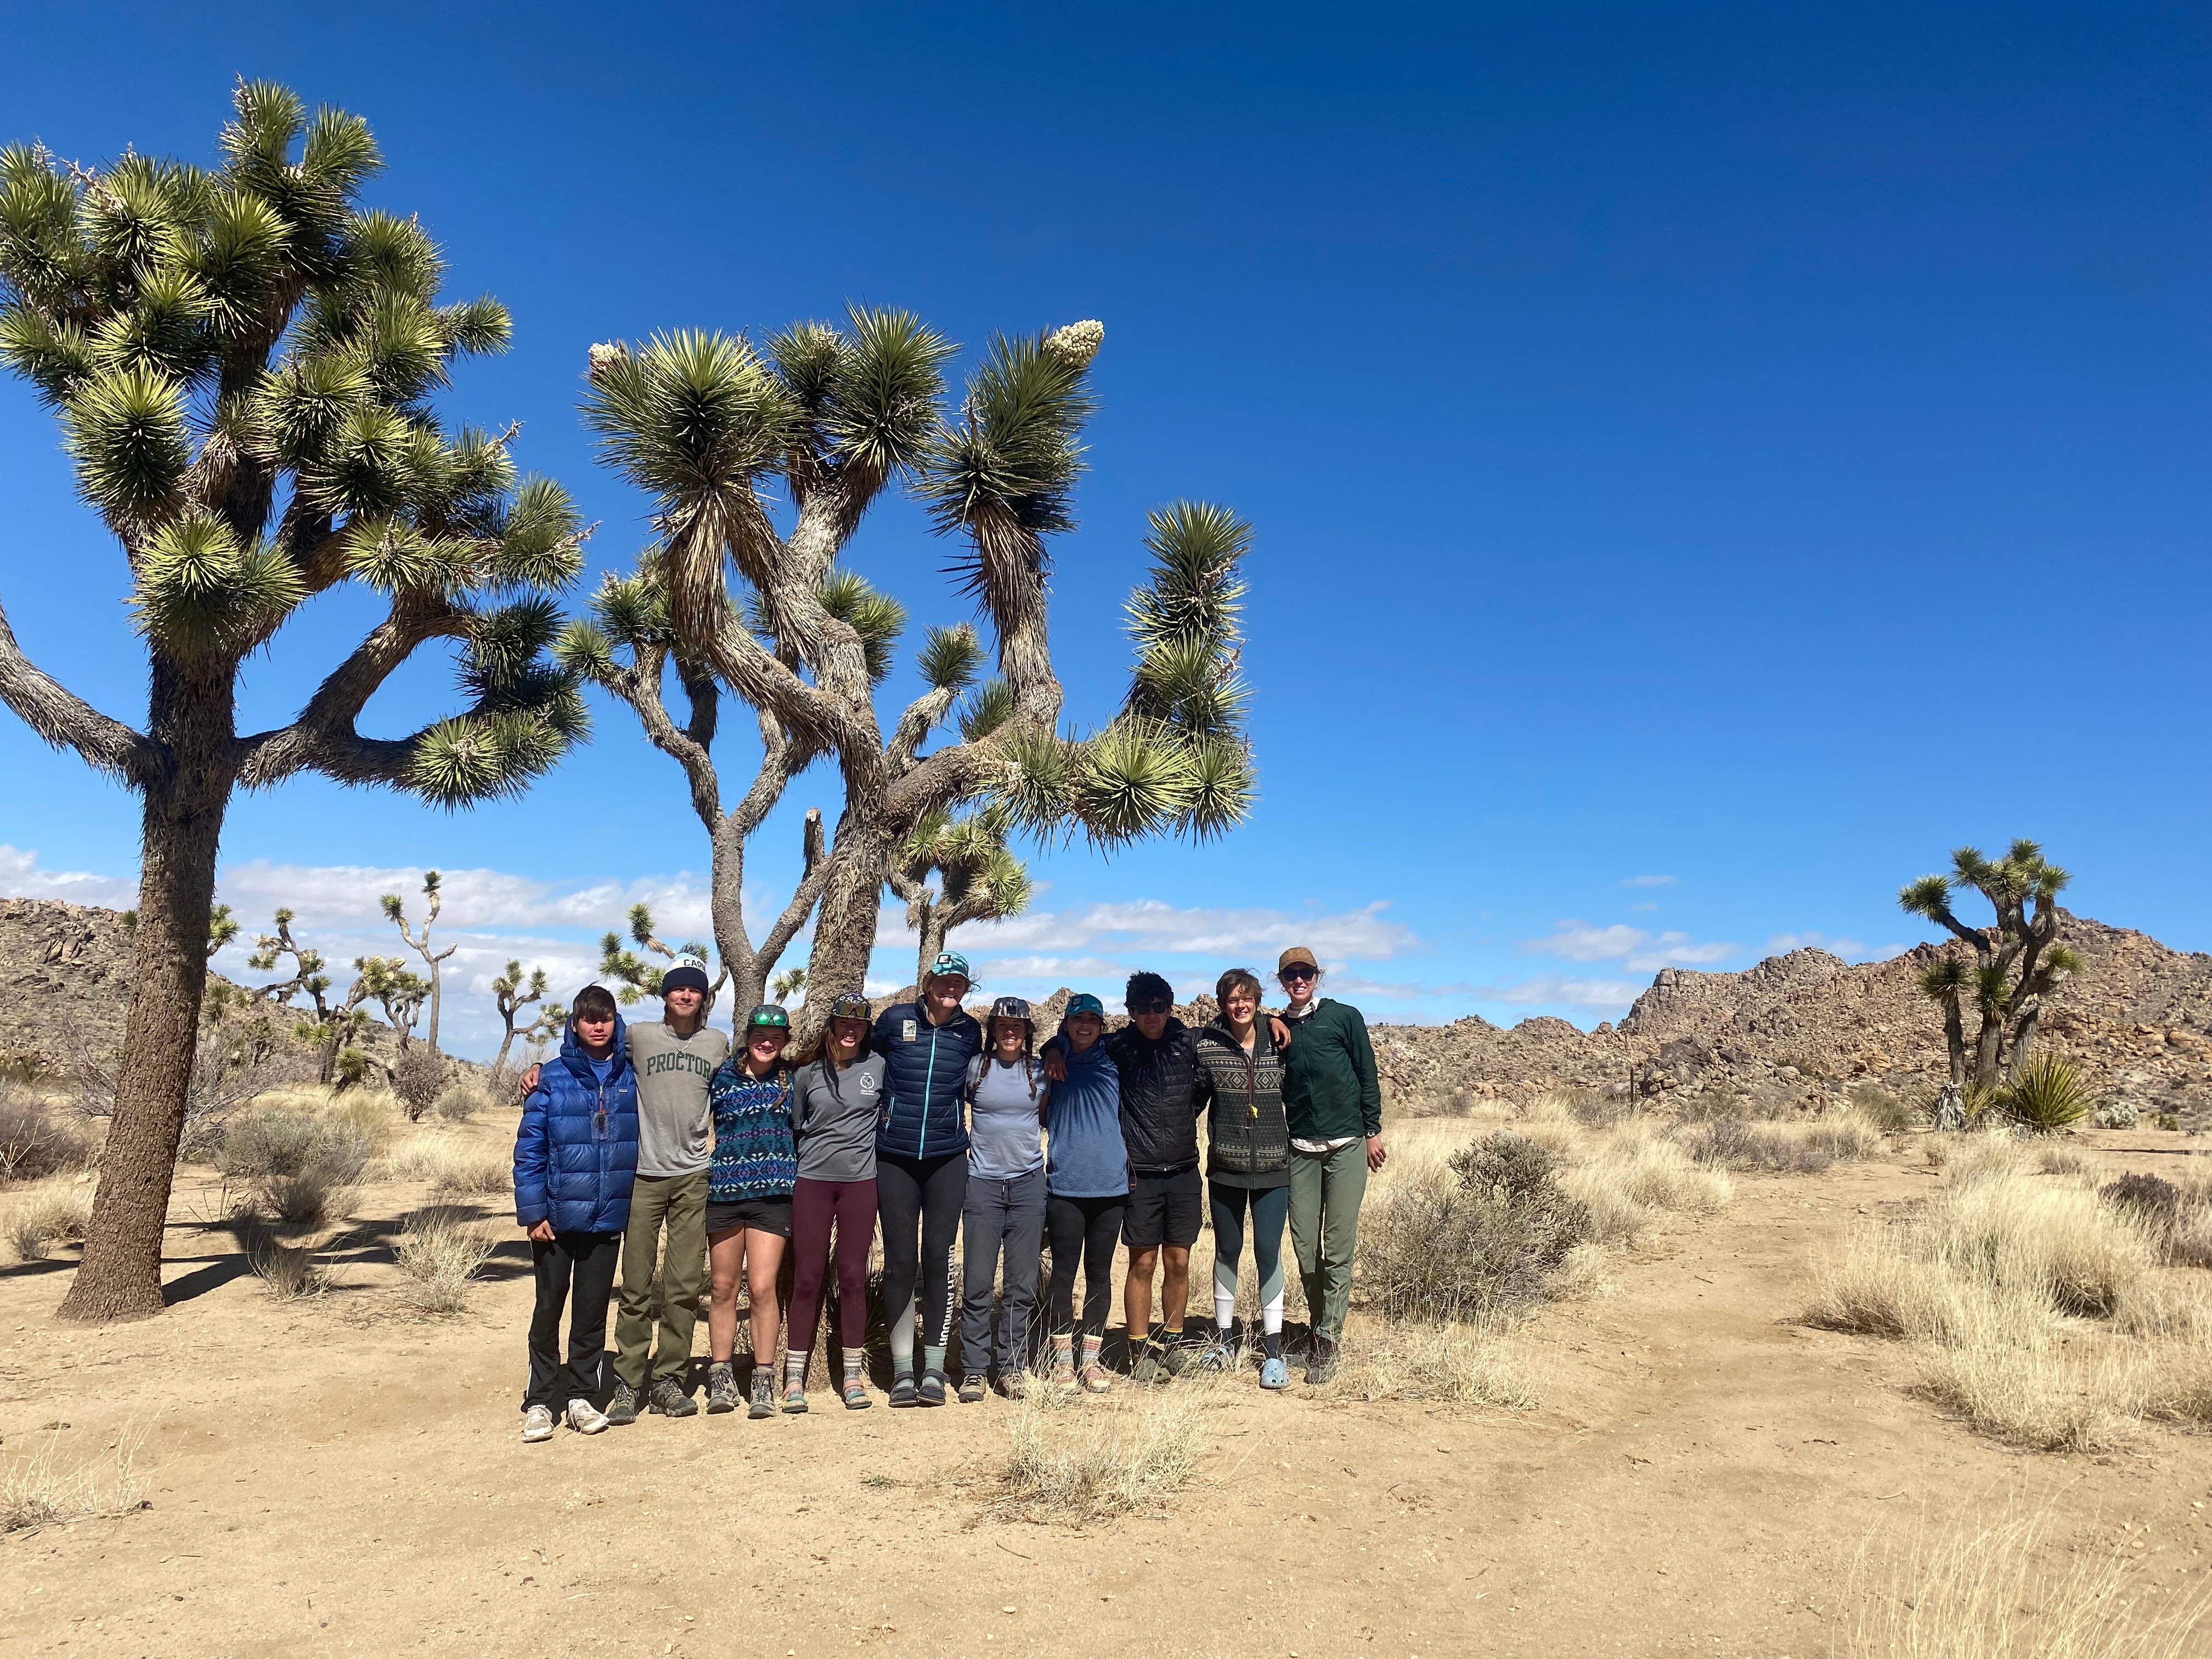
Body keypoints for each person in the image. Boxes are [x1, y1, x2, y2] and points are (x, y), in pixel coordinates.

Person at [513, 960, 727, 1425]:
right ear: (665, 996)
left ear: (704, 998)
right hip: (640, 1180)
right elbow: (581, 1059)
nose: (686, 996)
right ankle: (623, 1384)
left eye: (695, 990)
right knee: (632, 1288)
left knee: (682, 1286)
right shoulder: (639, 1040)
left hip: (687, 1177)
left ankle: (667, 1379)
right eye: (678, 989)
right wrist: (537, 1067)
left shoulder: (716, 1044)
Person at [513, 985, 639, 1442]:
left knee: (591, 1312)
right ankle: (541, 1399)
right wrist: (532, 1212)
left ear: (615, 1021)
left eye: (605, 1017)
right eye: (589, 1018)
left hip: (607, 1217)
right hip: (556, 1217)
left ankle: (582, 1395)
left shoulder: (631, 1075)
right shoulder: (551, 1077)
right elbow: (528, 1151)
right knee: (549, 1307)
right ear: (575, 1024)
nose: (598, 1025)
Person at [871, 952, 984, 1407]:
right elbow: (865, 1060)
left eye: (958, 983)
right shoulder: (895, 1020)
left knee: (938, 1259)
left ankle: (934, 1369)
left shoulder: (970, 1031)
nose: (949, 989)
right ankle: (902, 1371)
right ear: (929, 980)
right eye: (943, 981)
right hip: (895, 1156)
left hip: (946, 1158)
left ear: (964, 988)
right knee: (900, 1261)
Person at [1276, 946, 1385, 1384]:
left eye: (1306, 974)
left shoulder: (1344, 1017)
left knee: (1338, 1246)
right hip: (1300, 1146)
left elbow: (1367, 1072)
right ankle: (1320, 1324)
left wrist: (1372, 1129)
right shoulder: (1278, 1026)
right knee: (1305, 1246)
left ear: (1317, 977)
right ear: (1282, 980)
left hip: (1346, 1144)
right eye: (1291, 975)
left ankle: (1328, 1338)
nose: (1299, 981)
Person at [1193, 967, 1294, 1389]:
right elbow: (1192, 1101)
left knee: (1269, 1250)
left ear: (1257, 1001)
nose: (1240, 1005)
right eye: (1232, 999)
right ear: (1223, 1004)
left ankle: (1273, 1350)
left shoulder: (1281, 1042)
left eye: (1247, 998)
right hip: (1226, 1169)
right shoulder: (1207, 1046)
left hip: (1274, 1167)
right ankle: (1223, 1339)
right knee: (1228, 1249)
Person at [783, 993, 883, 1413]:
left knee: (853, 1277)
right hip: (814, 1181)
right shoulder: (807, 1072)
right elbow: (795, 1126)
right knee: (807, 1277)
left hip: (861, 1183)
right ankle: (793, 1379)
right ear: (832, 1025)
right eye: (844, 1022)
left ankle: (853, 1375)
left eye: (858, 1025)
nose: (850, 1030)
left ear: (866, 1030)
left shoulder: (878, 1067)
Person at [704, 1005, 798, 1419]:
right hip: (725, 1193)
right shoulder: (720, 1077)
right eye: (761, 1034)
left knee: (762, 1288)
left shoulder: (792, 1079)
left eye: (776, 1037)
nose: (767, 1042)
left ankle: (763, 1377)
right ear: (748, 1036)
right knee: (724, 1288)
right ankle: (720, 1375)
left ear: (784, 1042)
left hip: (773, 1195)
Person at [957, 997, 1048, 1402]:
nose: (1010, 1032)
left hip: (1028, 1183)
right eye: (1002, 1025)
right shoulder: (976, 1068)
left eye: (1018, 1026)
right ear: (992, 1029)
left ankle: (1012, 1366)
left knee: (1021, 1283)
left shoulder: (1041, 1070)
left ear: (1028, 1031)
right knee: (977, 1281)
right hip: (983, 1183)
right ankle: (974, 1369)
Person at [1038, 994, 1126, 1392]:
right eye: (1078, 1019)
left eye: (1093, 1019)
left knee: (1099, 1274)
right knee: (1063, 1274)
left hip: (1110, 1185)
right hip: (1066, 1184)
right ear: (1067, 1023)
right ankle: (1062, 1364)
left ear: (1102, 1025)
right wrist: (1052, 1049)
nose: (1085, 1025)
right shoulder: (1052, 1065)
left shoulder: (1114, 1060)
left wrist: (1052, 1045)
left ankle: (1091, 1361)